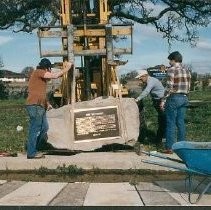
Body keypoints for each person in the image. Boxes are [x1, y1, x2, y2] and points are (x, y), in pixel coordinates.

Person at [26, 58, 73, 159]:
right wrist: (67, 68)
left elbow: (38, 92)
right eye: (49, 69)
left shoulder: (40, 79)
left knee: (44, 128)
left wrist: (47, 103)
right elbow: (55, 75)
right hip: (35, 106)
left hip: (40, 106)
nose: (50, 71)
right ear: (46, 68)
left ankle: (35, 149)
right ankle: (31, 153)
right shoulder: (39, 72)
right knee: (35, 129)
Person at [160, 51, 191, 154]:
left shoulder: (171, 70)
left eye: (170, 60)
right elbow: (188, 87)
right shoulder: (187, 70)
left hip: (174, 98)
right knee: (180, 122)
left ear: (173, 60)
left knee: (171, 123)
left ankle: (169, 148)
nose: (169, 62)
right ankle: (182, 147)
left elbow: (169, 87)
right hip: (184, 97)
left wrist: (163, 100)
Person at [135, 70, 166, 145]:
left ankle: (161, 140)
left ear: (145, 76)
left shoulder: (152, 81)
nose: (140, 79)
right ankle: (160, 139)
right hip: (156, 101)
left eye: (140, 77)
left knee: (163, 120)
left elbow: (146, 91)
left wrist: (137, 99)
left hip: (161, 101)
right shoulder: (147, 82)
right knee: (161, 119)